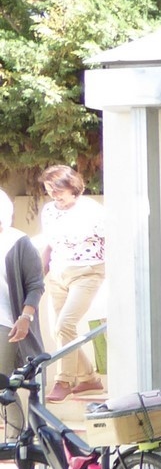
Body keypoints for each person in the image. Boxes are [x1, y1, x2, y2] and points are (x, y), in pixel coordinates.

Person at [36, 164, 105, 402]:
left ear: (72, 186)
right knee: (60, 330)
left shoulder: (91, 209)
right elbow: (49, 244)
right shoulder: (49, 211)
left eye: (58, 189)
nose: (54, 194)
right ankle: (88, 378)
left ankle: (63, 381)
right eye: (49, 189)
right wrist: (39, 275)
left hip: (87, 272)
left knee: (65, 324)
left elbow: (112, 240)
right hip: (58, 275)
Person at [0, 190, 45, 433]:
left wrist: (25, 317)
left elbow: (36, 285)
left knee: (3, 382)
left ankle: (15, 436)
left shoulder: (18, 242)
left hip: (7, 322)